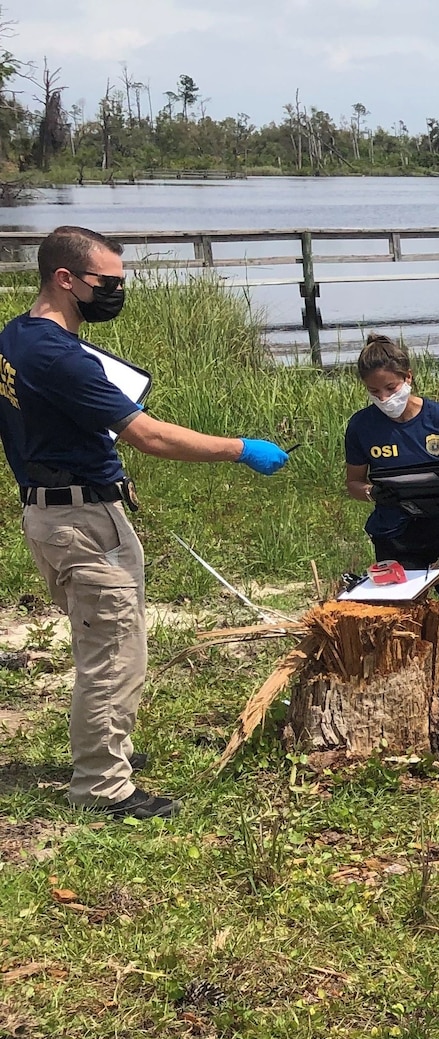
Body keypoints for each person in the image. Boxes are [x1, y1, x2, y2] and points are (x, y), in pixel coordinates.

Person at [0, 225, 290, 819]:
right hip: (78, 518)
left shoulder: (17, 337)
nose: (116, 293)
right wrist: (240, 448)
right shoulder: (59, 359)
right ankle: (103, 787)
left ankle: (104, 759)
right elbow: (149, 434)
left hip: (65, 507)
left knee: (109, 641)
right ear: (65, 279)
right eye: (107, 283)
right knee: (112, 653)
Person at [342, 334, 439, 697]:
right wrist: (374, 493)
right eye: (374, 392)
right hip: (395, 537)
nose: (384, 399)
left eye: (390, 388)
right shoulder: (362, 426)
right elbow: (354, 482)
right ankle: (409, 699)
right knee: (400, 626)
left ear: (408, 377)